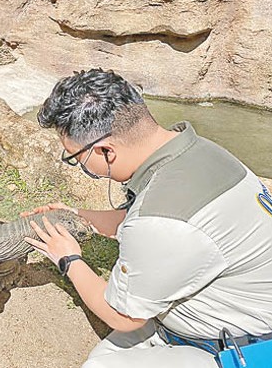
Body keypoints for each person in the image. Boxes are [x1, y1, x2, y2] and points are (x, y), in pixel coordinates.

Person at [23, 68, 272, 367]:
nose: (80, 167)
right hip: (207, 316)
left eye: (77, 159)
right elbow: (145, 218)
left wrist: (69, 260)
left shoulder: (159, 222)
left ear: (105, 151)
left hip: (241, 348)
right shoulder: (196, 151)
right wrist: (77, 216)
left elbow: (122, 316)